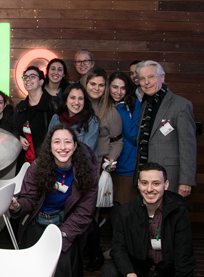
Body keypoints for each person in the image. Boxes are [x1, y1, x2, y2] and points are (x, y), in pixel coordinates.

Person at [9, 124, 98, 277]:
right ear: (50, 146)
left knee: (63, 266)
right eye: (57, 142)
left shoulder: (88, 173)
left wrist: (61, 236)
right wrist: (17, 206)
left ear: (75, 146)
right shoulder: (36, 168)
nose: (62, 147)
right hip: (38, 222)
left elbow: (84, 213)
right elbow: (29, 200)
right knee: (33, 266)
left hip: (66, 225)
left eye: (68, 142)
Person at [102, 162, 196, 277]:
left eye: (156, 183)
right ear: (138, 184)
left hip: (168, 270)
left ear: (165, 185)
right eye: (144, 183)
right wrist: (129, 273)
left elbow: (184, 255)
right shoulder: (125, 212)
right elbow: (118, 249)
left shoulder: (178, 212)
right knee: (109, 271)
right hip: (140, 268)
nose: (149, 189)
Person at [133, 60, 196, 197]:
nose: (146, 82)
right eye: (142, 78)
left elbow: (188, 147)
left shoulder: (181, 105)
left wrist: (186, 180)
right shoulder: (145, 104)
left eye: (151, 77)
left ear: (162, 77)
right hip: (146, 178)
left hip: (169, 178)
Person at [82, 67, 123, 272]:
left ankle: (95, 252)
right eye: (93, 84)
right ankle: (82, 250)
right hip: (75, 165)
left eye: (101, 84)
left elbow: (117, 141)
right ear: (85, 84)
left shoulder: (110, 111)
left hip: (98, 167)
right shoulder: (77, 103)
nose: (97, 88)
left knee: (92, 213)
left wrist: (110, 162)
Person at [13, 66, 58, 173]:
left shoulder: (53, 103)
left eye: (32, 77)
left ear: (41, 81)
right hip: (25, 165)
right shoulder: (21, 107)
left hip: (47, 163)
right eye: (25, 77)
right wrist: (19, 136)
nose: (28, 79)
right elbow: (13, 128)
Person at [109, 71, 141, 205]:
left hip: (127, 167)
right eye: (115, 87)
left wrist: (120, 110)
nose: (118, 92)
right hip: (106, 166)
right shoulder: (102, 104)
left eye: (122, 88)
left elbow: (134, 135)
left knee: (125, 209)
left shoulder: (134, 105)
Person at [48, 83, 99, 153]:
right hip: (57, 162)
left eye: (80, 98)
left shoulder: (91, 121)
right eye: (72, 98)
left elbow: (86, 151)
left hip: (80, 162)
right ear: (65, 101)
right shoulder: (56, 118)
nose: (76, 102)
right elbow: (48, 146)